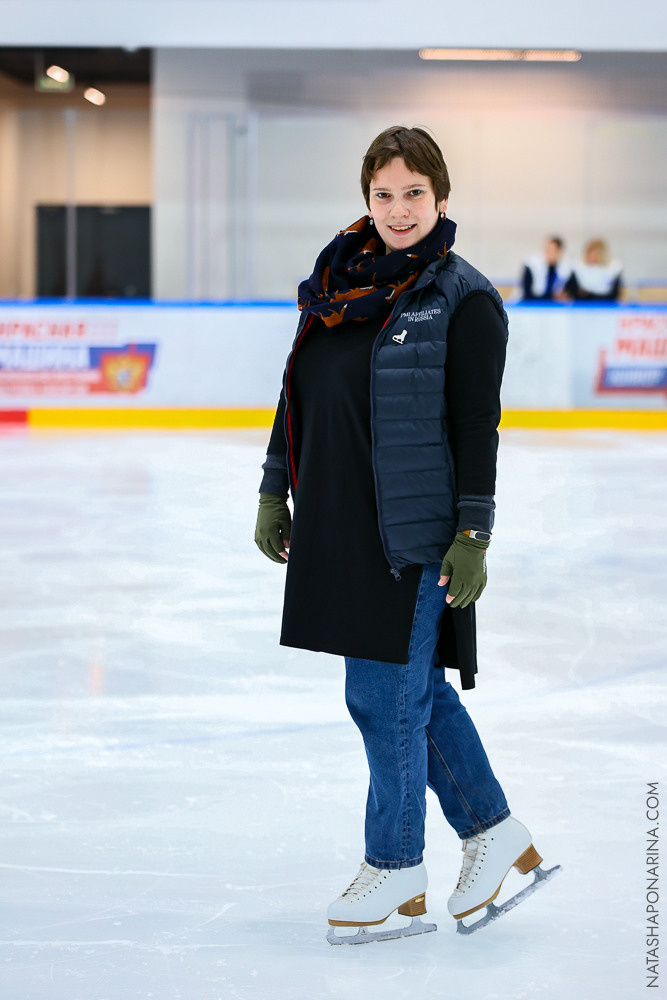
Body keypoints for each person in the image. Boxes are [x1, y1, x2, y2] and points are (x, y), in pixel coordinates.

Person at [254, 126, 559, 943]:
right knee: (406, 698)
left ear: (441, 198)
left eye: (413, 194)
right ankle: (494, 833)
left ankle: (394, 870)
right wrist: (274, 489)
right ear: (366, 199)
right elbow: (298, 398)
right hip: (340, 523)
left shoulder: (462, 297)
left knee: (382, 699)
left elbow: (475, 426)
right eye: (383, 194)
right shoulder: (333, 286)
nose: (397, 210)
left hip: (413, 536)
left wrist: (473, 533)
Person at [520, 236, 570, 301]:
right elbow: (527, 294)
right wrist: (553, 298)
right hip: (531, 304)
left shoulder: (566, 269)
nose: (549, 254)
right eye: (547, 250)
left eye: (553, 251)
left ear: (559, 252)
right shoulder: (532, 266)